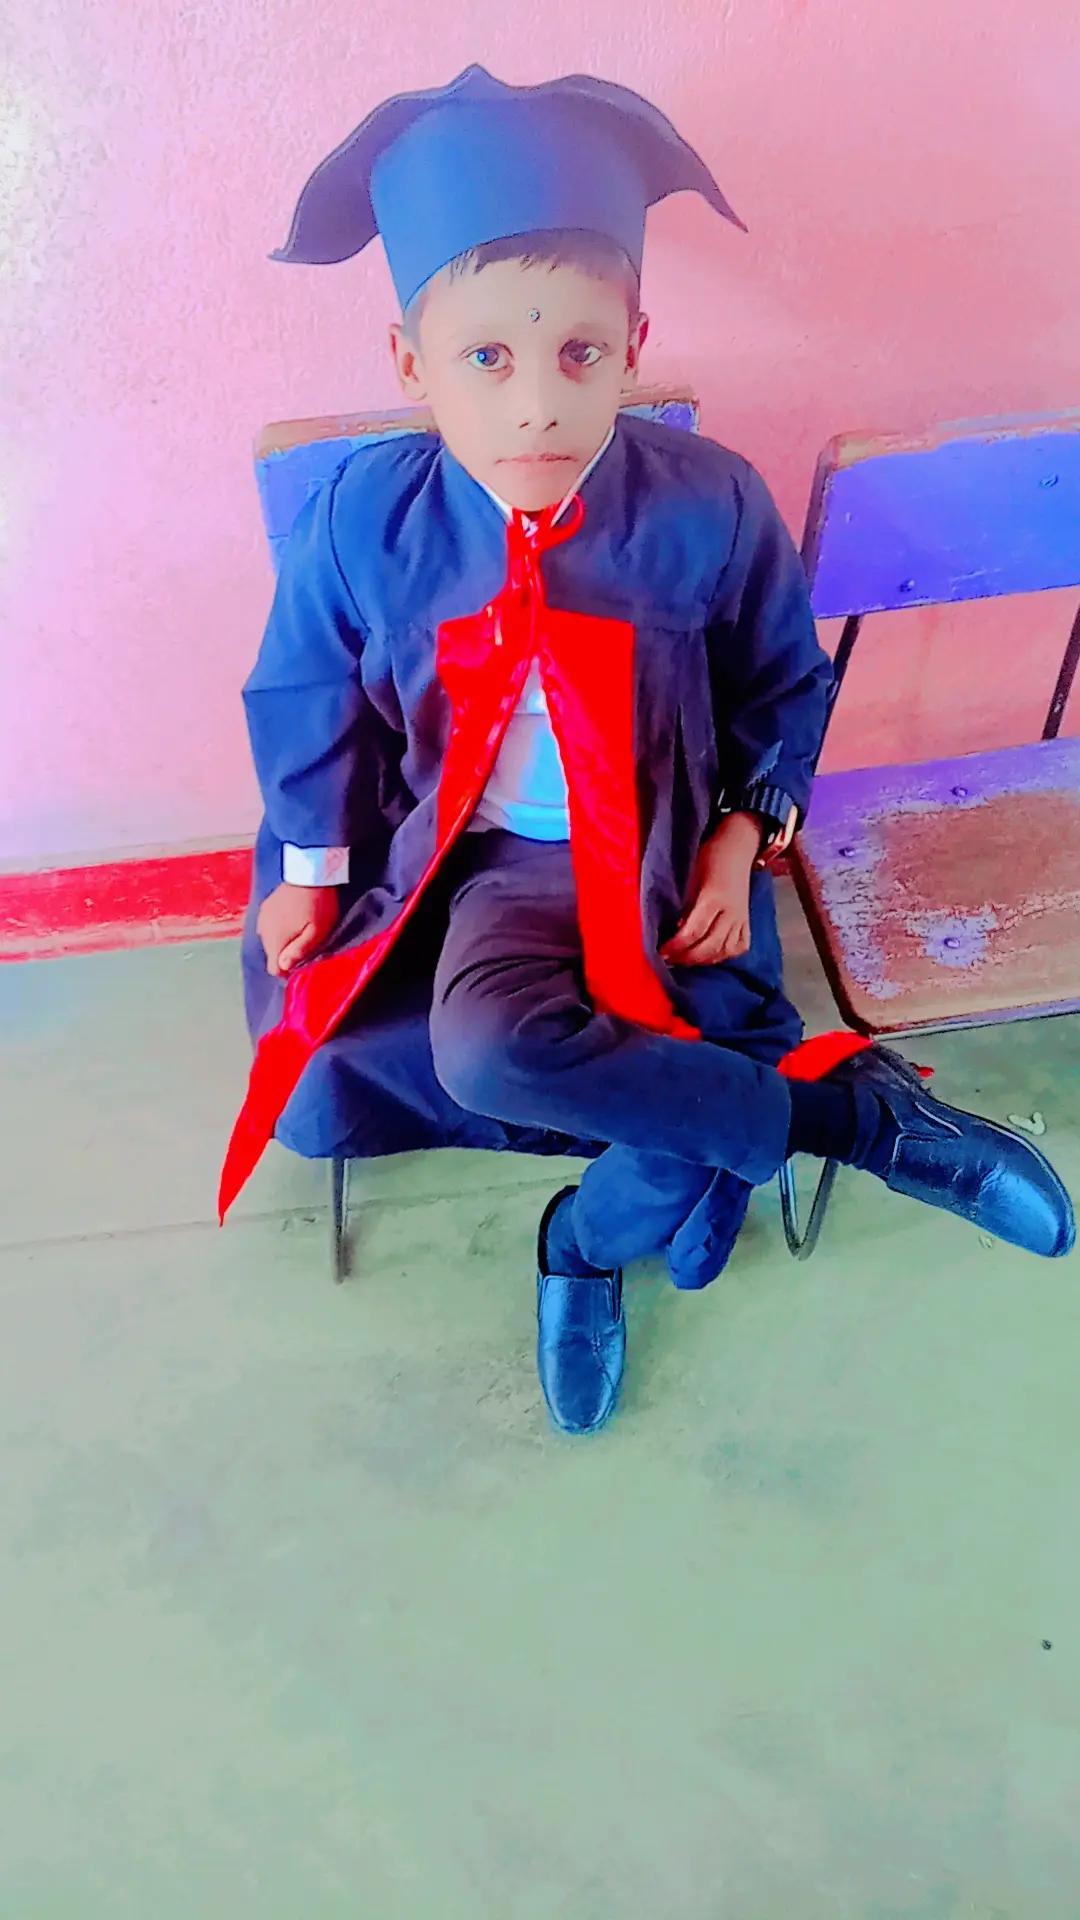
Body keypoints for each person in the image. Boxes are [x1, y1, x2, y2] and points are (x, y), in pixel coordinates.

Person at [221, 65, 1075, 1435]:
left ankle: (577, 1248)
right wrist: (313, 871)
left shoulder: (707, 505)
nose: (536, 406)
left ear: (633, 342)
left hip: (665, 854)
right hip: (487, 872)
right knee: (482, 1048)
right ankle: (849, 1119)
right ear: (409, 362)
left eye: (579, 355)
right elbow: (306, 694)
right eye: (486, 359)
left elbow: (782, 681)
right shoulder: (365, 525)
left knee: (680, 1123)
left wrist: (740, 840)